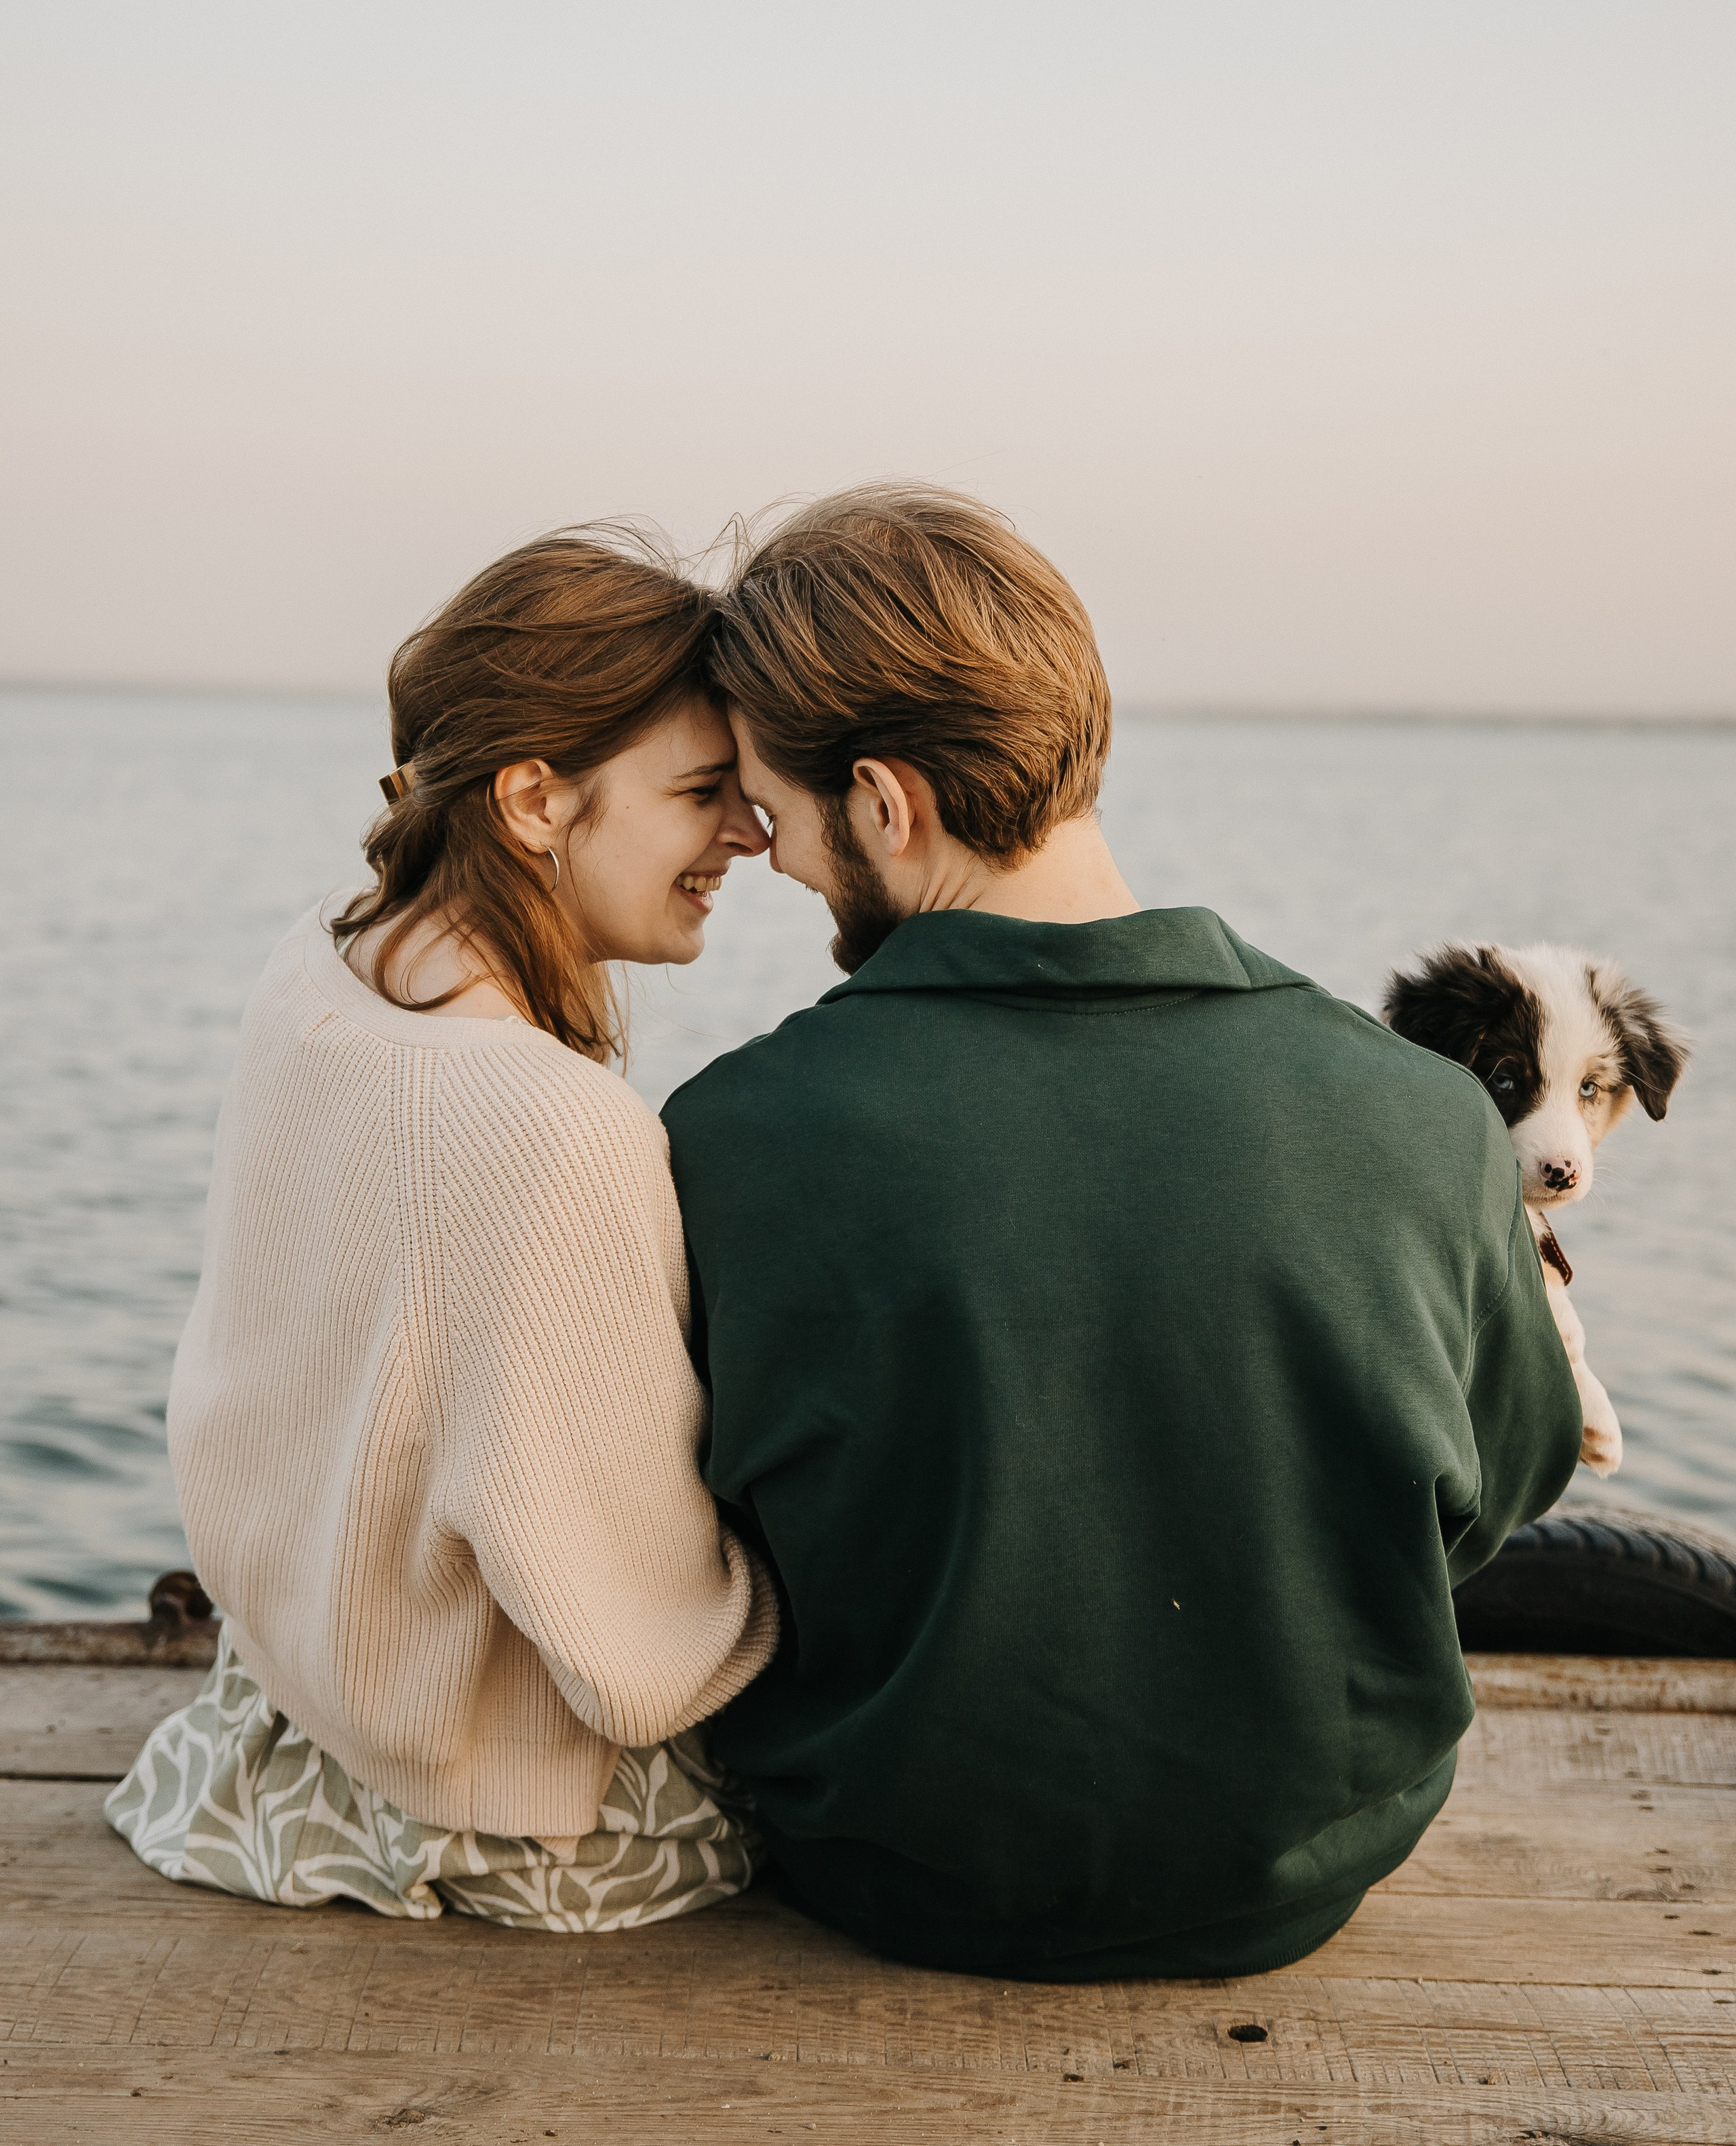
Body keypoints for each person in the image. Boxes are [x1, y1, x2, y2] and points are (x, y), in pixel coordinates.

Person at [662, 484, 1583, 1982]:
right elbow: (1502, 1480)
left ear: (884, 804)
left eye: (774, 809)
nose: (765, 852)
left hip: (884, 1868)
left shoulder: (729, 1137)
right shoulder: (1424, 1121)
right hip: (1311, 1859)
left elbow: (698, 1532)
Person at [108, 526, 778, 1932]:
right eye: (705, 792)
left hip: (295, 1710)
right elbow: (636, 1653)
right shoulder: (542, 1127)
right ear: (536, 799)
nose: (750, 836)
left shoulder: (326, 963)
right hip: (508, 1811)